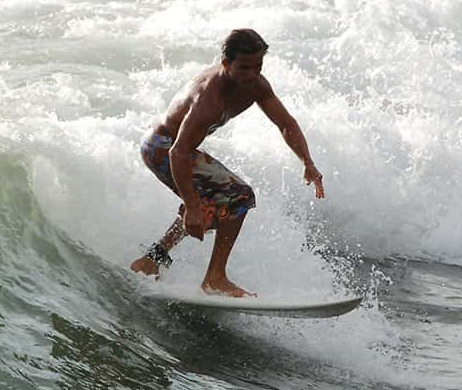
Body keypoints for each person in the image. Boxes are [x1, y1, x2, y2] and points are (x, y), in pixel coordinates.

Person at [130, 29, 325, 297]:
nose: (253, 73)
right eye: (244, 67)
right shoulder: (209, 98)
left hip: (175, 148)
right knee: (239, 197)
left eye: (258, 65)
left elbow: (286, 123)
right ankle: (215, 278)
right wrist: (191, 204)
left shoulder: (256, 85)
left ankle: (151, 260)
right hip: (162, 149)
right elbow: (178, 153)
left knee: (214, 206)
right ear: (226, 64)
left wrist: (308, 163)